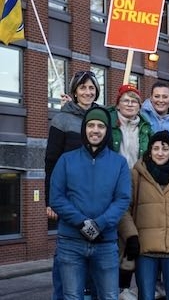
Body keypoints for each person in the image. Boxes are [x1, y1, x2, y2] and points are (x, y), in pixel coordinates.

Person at [49, 107, 131, 299]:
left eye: (100, 126)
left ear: (107, 130)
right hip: (70, 242)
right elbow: (56, 198)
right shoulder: (66, 160)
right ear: (84, 128)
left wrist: (99, 224)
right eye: (91, 125)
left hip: (106, 244)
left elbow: (122, 199)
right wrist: (82, 223)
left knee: (109, 296)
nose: (95, 130)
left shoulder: (119, 163)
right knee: (72, 296)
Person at [118, 131, 169, 300]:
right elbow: (124, 209)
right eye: (155, 148)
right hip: (145, 249)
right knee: (146, 296)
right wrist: (131, 236)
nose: (160, 153)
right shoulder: (137, 173)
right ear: (149, 150)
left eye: (164, 148)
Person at [45, 70, 101, 300]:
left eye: (91, 88)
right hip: (69, 198)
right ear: (74, 92)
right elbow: (51, 161)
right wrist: (50, 200)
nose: (88, 92)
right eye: (83, 88)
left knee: (94, 254)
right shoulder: (62, 120)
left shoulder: (101, 116)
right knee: (66, 257)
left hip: (96, 197)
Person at [107, 84, 152, 300]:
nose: (130, 104)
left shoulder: (145, 126)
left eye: (134, 101)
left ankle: (123, 287)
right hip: (112, 183)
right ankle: (109, 286)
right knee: (116, 237)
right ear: (117, 103)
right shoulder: (108, 120)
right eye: (126, 100)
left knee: (130, 240)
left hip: (137, 183)